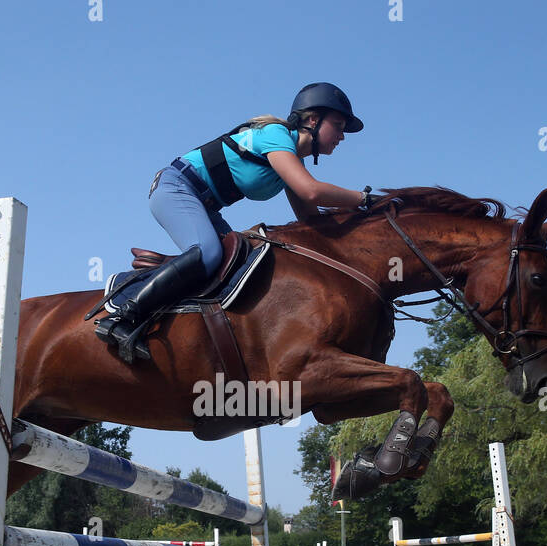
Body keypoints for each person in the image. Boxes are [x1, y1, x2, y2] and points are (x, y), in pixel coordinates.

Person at [95, 82, 376, 363]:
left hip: (204, 206)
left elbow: (312, 222)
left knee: (243, 267)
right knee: (209, 253)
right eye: (338, 125)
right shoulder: (275, 135)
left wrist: (361, 233)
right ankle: (122, 318)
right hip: (177, 188)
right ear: (313, 120)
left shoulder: (290, 162)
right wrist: (363, 199)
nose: (341, 136)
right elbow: (311, 191)